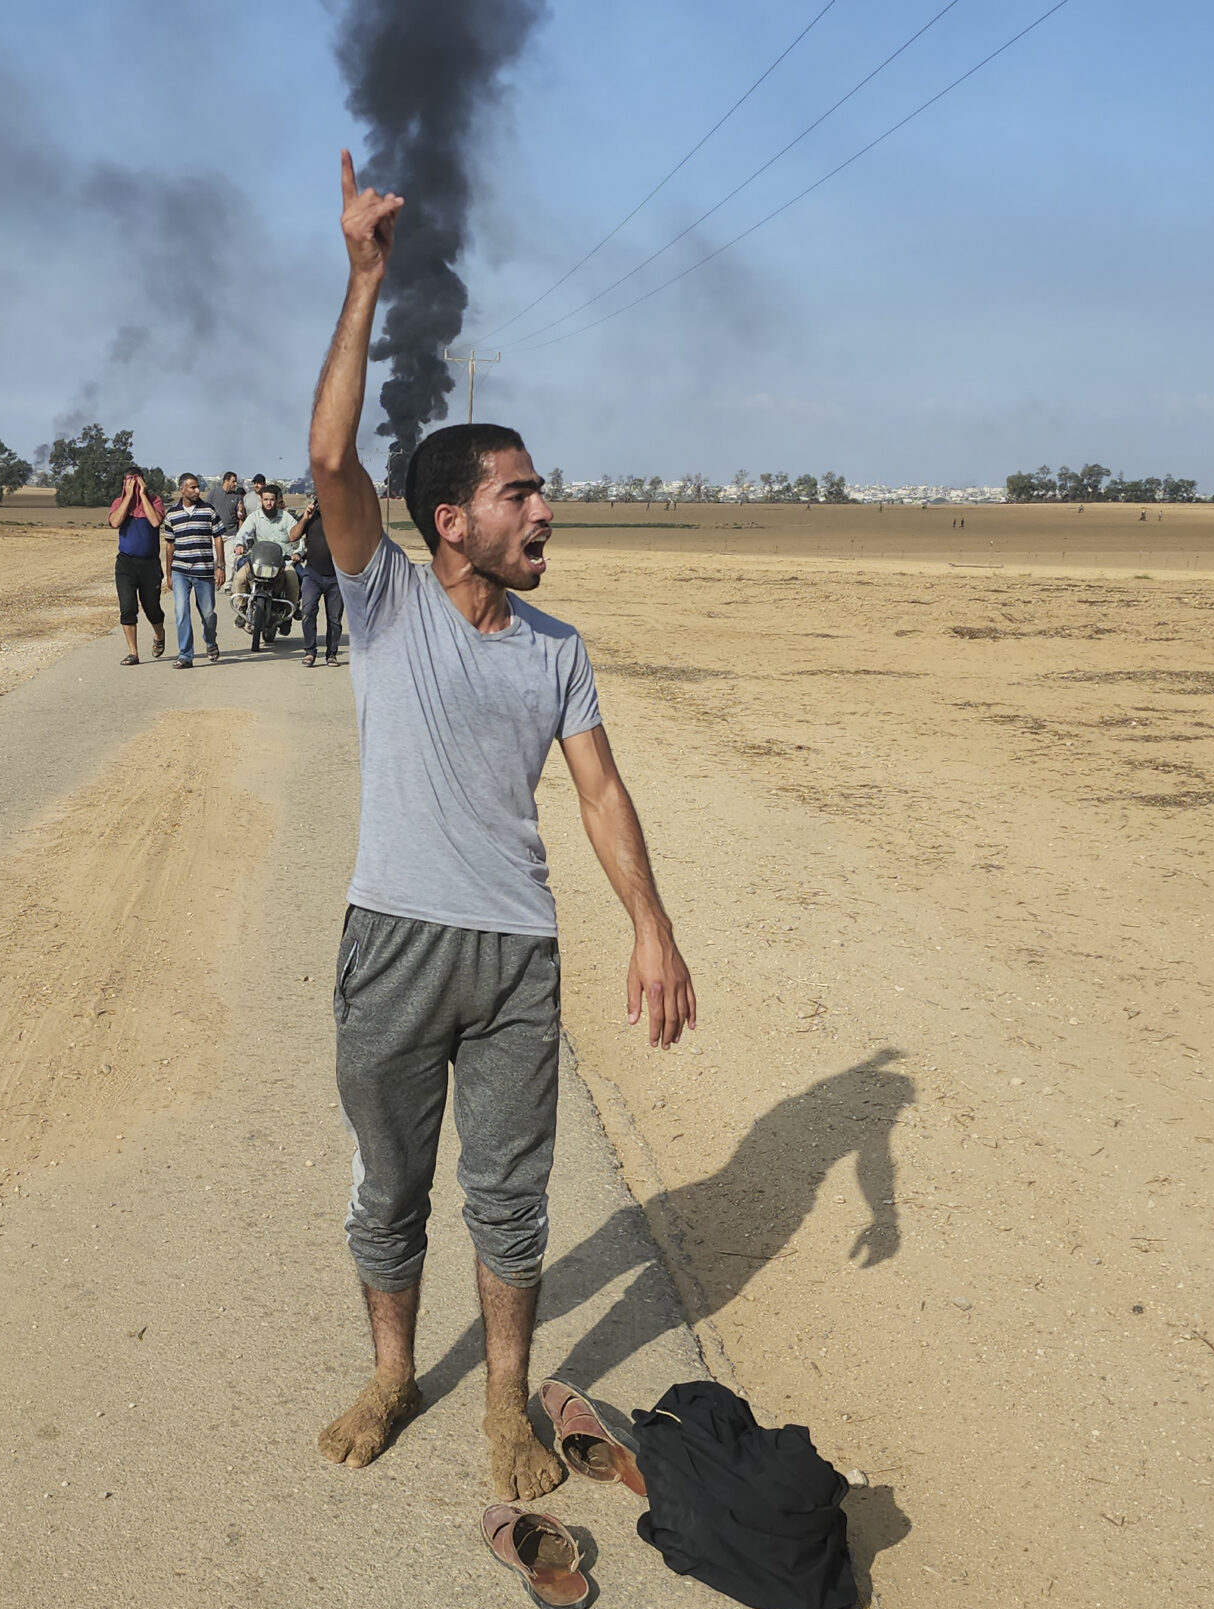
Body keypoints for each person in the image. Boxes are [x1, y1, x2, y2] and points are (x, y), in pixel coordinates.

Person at [309, 152, 697, 1501]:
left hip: (517, 955)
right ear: (451, 521)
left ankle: (501, 1408)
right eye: (520, 491)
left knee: (514, 1198)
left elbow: (597, 788)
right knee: (390, 1189)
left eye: (543, 488)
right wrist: (365, 283)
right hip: (397, 942)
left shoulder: (557, 647)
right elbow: (326, 458)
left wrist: (651, 923)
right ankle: (391, 1369)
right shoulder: (387, 603)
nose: (546, 509)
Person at [161, 472, 224, 668]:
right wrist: (169, 573)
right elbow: (169, 545)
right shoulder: (172, 514)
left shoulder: (208, 511)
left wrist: (220, 566)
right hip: (181, 570)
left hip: (204, 570)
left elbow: (218, 538)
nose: (197, 491)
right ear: (182, 489)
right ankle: (185, 655)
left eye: (198, 487)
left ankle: (210, 640)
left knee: (208, 614)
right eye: (193, 487)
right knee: (181, 611)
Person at [230, 482, 301, 652]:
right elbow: (243, 534)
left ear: (277, 501)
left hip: (282, 562)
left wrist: (298, 552)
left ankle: (288, 613)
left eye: (272, 500)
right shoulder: (254, 517)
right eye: (266, 499)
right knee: (239, 577)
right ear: (261, 500)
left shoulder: (286, 518)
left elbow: (299, 536)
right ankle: (241, 607)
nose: (269, 503)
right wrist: (239, 544)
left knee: (293, 580)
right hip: (258, 561)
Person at [109, 469, 165, 665]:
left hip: (149, 564)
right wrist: (129, 497)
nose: (132, 484)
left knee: (152, 608)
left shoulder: (155, 501)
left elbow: (156, 521)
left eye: (136, 481)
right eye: (128, 481)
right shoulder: (119, 503)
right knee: (127, 607)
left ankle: (159, 634)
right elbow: (115, 522)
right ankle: (133, 652)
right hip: (126, 563)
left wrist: (142, 495)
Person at [292, 490, 343, 666]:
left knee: (334, 618)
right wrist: (305, 518)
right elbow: (293, 536)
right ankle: (309, 652)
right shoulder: (310, 517)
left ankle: (331, 654)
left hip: (337, 577)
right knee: (307, 612)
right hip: (312, 574)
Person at [210, 472, 248, 577]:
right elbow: (206, 509)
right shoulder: (214, 493)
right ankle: (216, 579)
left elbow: (241, 516)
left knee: (230, 560)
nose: (235, 484)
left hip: (231, 533)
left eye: (236, 481)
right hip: (215, 533)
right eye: (233, 481)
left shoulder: (237, 497)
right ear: (226, 481)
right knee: (215, 558)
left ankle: (228, 585)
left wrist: (241, 511)